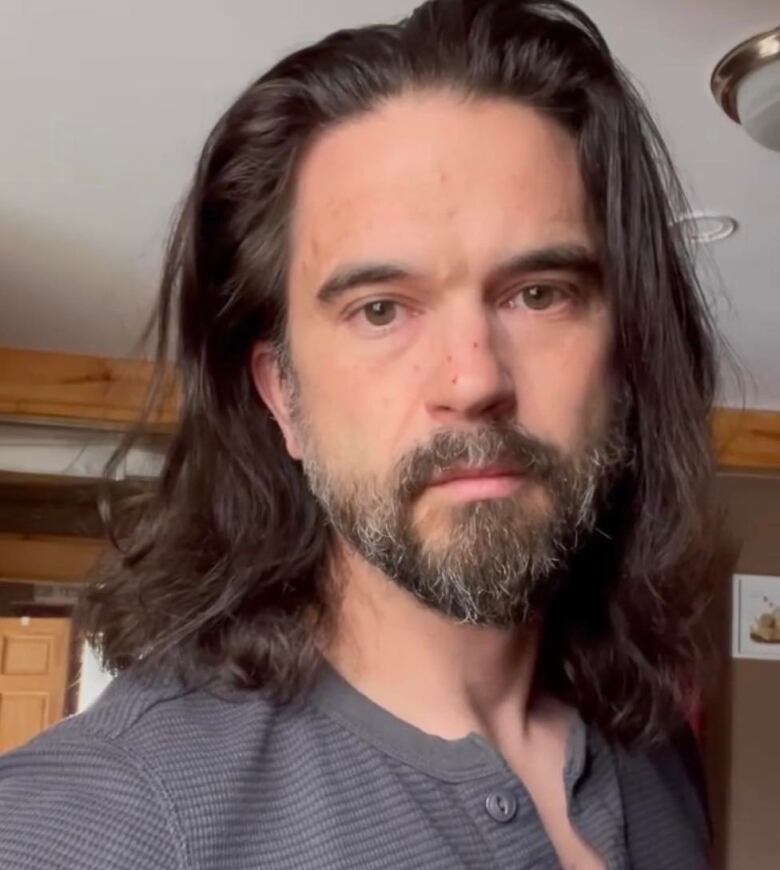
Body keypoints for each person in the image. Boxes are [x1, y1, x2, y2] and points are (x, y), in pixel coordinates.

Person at [0, 1, 730, 868]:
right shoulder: (101, 825)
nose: (476, 380)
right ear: (283, 397)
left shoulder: (654, 757)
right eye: (381, 310)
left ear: (622, 355)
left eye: (539, 293)